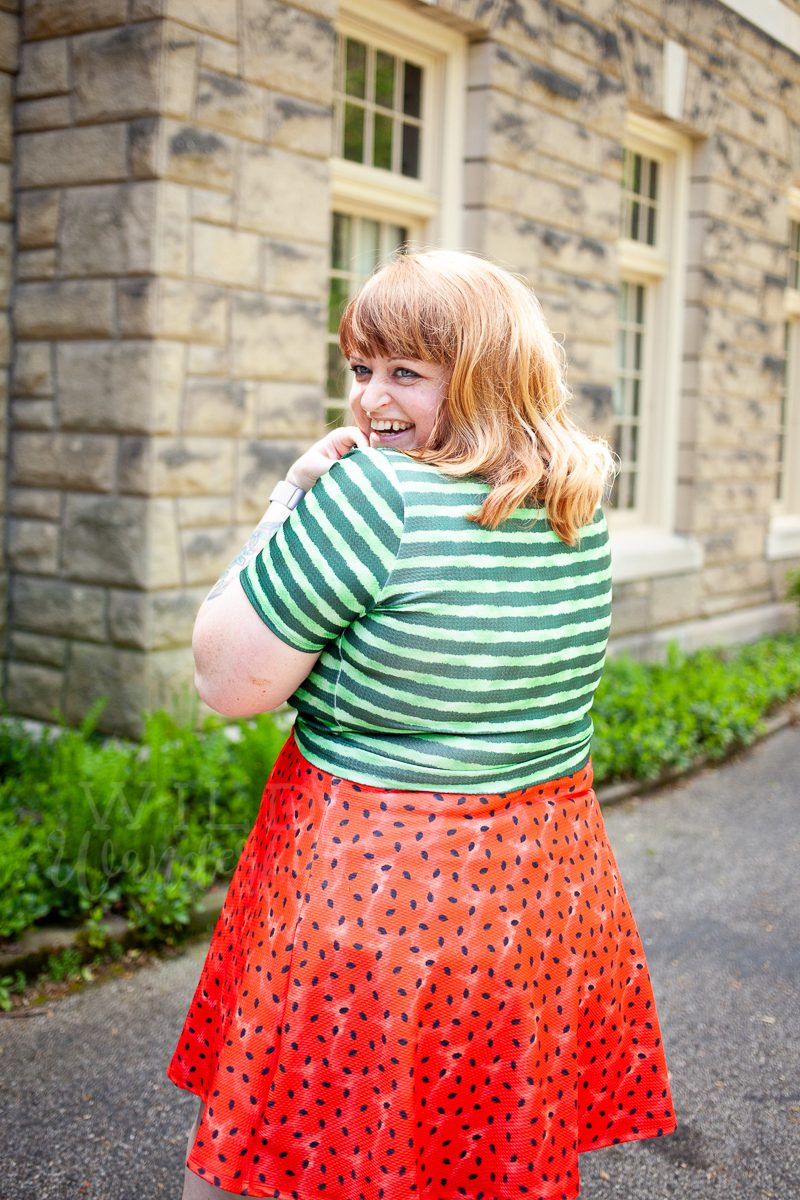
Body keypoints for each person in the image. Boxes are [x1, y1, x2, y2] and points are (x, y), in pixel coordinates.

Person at [167, 249, 676, 1200]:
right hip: (541, 896)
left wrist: (288, 499)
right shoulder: (577, 509)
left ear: (483, 373)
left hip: (372, 889)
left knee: (280, 1151)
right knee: (473, 1155)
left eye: (407, 371)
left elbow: (225, 678)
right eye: (362, 368)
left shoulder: (376, 496)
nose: (372, 401)